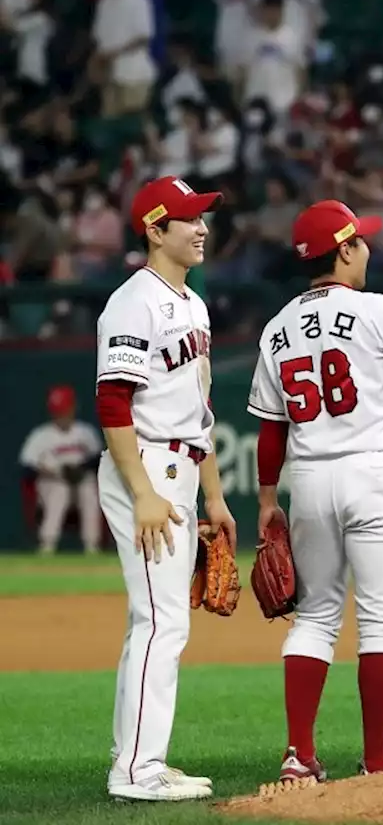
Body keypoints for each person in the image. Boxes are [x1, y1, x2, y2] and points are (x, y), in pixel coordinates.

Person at [246, 200, 383, 785]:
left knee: (313, 619)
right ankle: (378, 760)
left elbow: (270, 427)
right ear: (343, 252)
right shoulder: (377, 310)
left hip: (309, 478)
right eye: (358, 242)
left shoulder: (277, 325)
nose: (366, 249)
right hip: (375, 474)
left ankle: (299, 757)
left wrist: (266, 501)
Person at [96, 176, 236, 802]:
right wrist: (143, 492)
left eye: (202, 216)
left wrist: (213, 497)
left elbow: (199, 411)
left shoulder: (193, 304)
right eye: (188, 219)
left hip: (179, 466)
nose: (201, 227)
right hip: (145, 467)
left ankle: (140, 756)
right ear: (155, 230)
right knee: (160, 620)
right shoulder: (134, 303)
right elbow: (112, 400)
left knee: (158, 620)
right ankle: (135, 771)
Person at [20, 385, 103, 555]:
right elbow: (27, 466)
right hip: (51, 483)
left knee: (88, 491)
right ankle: (47, 546)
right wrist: (55, 472)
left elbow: (98, 459)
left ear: (73, 407)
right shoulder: (41, 435)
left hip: (82, 480)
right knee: (60, 491)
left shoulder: (85, 432)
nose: (61, 415)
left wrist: (79, 468)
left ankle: (92, 547)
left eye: (64, 410)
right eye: (57, 411)